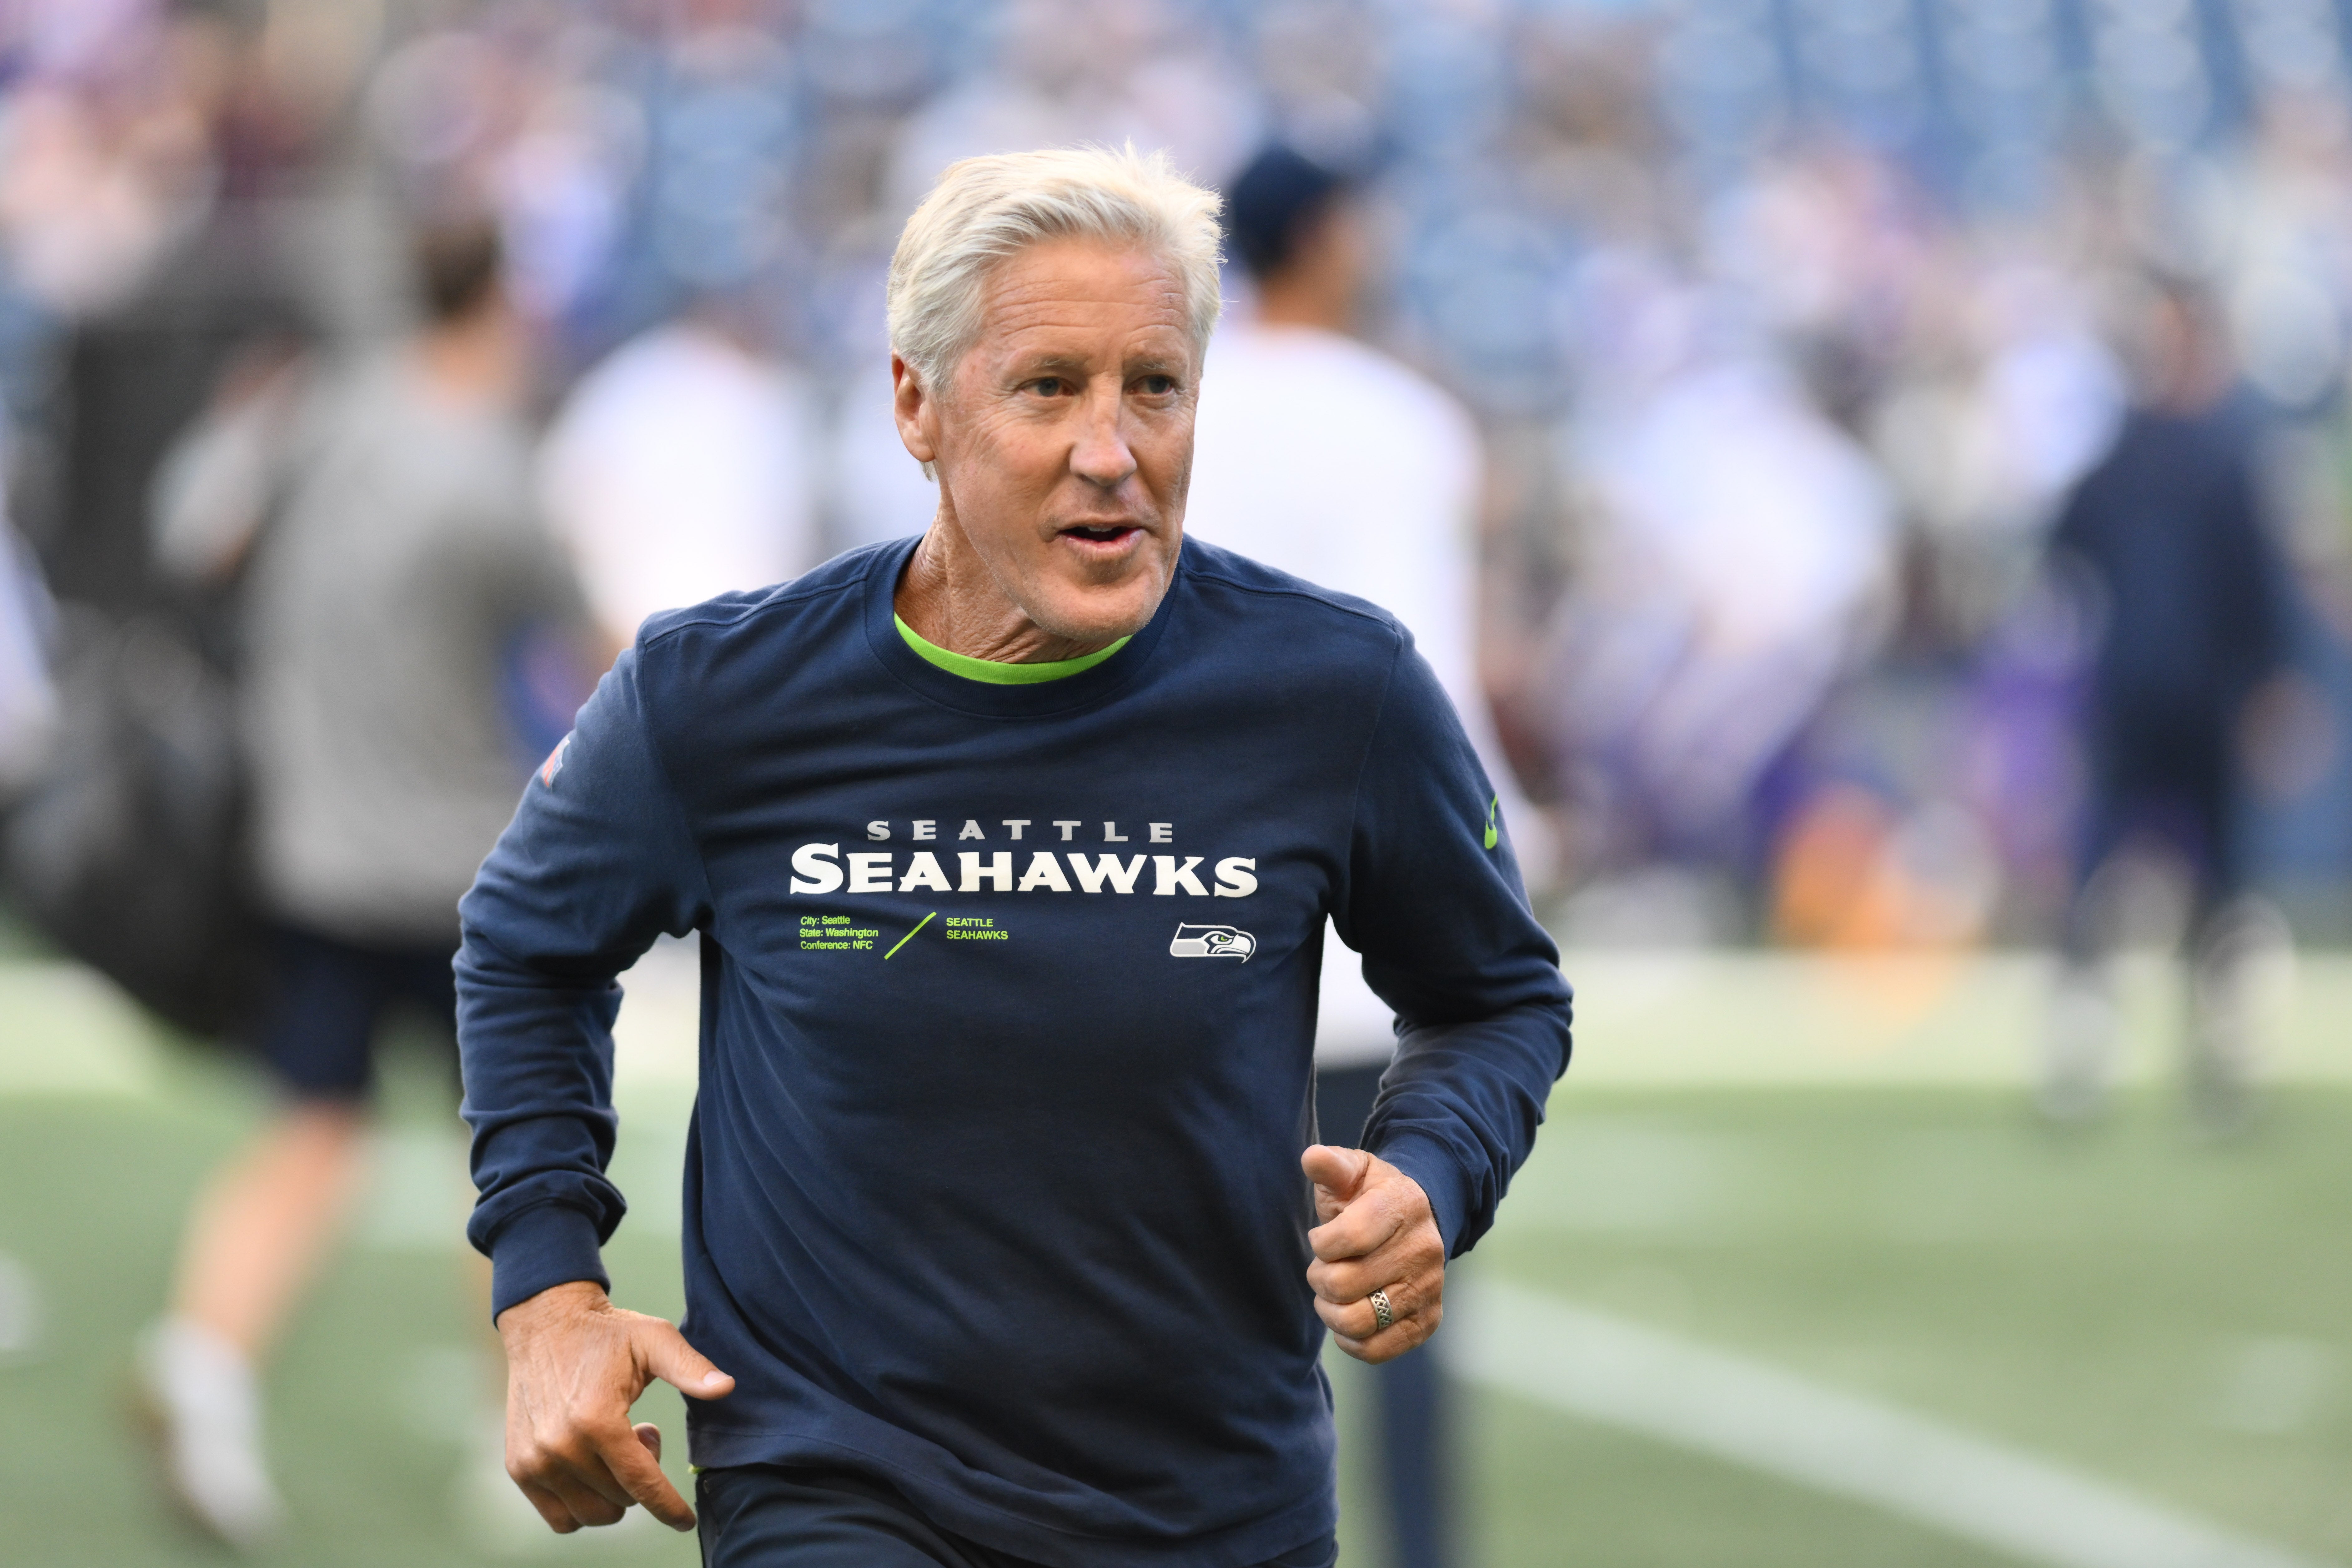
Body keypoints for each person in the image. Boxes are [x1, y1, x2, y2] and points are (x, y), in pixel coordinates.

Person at [460, 145, 1572, 1567]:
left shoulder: (1334, 689)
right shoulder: (720, 693)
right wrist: (548, 1288)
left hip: (1209, 1504)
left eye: (1154, 387)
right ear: (919, 405)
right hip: (837, 1483)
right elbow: (528, 946)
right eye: (1049, 385)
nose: (1111, 448)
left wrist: (1433, 1164)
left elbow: (1494, 993)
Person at [133, 217, 595, 1550]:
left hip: (308, 847)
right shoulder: (494, 469)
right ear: (499, 299)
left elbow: (190, 534)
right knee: (515, 1157)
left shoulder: (316, 415)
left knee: (312, 1128)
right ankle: (530, 1435)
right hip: (460, 871)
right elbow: (591, 646)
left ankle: (204, 1367)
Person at [1184, 142, 1537, 1568]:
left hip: (1180, 896)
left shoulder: (1177, 402)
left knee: (1196, 1296)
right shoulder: (1398, 420)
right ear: (1324, 238)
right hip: (1359, 899)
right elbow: (1420, 670)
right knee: (1394, 1271)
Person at [2042, 278, 2293, 1131]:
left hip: (2180, 700)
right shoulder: (2143, 459)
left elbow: (2252, 596)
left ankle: (2205, 1063)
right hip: (2143, 698)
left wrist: (2264, 693)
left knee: (2208, 889)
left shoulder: (2200, 460)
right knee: (2113, 882)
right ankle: (2089, 1054)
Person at [538, 299, 824, 652]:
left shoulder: (767, 403)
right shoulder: (647, 375)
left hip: (652, 641)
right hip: (676, 644)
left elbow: (558, 503)